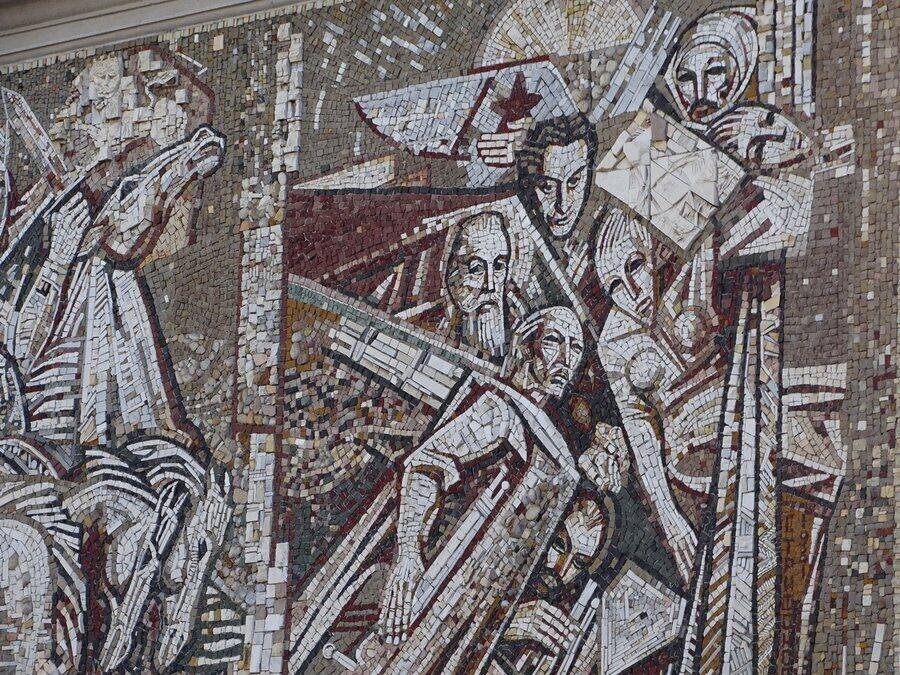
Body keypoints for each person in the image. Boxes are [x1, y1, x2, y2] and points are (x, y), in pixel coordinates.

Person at [288, 306, 587, 674]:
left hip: (448, 604)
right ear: (527, 347)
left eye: (576, 349)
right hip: (420, 584)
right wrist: (408, 555)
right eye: (554, 341)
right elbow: (426, 466)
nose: (565, 358)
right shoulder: (501, 411)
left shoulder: (543, 441)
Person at [443, 211, 512, 359]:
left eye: (499, 267)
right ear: (454, 280)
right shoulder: (436, 336)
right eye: (477, 269)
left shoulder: (520, 341)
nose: (490, 286)